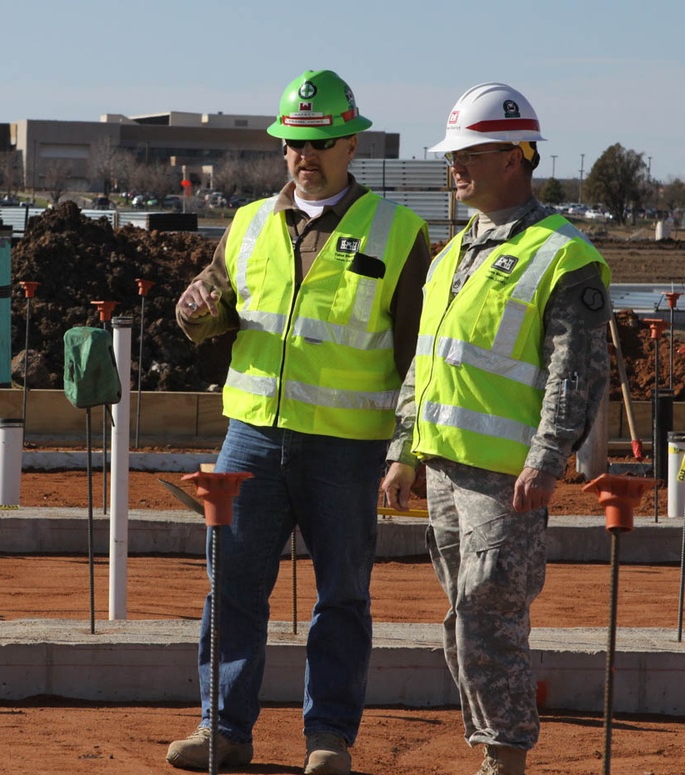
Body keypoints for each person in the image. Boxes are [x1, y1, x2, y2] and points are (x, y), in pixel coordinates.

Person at [168, 69, 430, 774]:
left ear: (352, 143)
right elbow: (214, 301)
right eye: (292, 143)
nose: (302, 157)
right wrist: (192, 309)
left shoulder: (400, 232)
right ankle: (221, 726)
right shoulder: (250, 223)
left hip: (347, 448)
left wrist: (409, 448)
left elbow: (418, 356)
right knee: (231, 585)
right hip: (250, 436)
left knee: (341, 593)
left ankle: (329, 737)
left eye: (318, 144)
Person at [381, 82, 611, 775]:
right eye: (454, 154)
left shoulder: (561, 254)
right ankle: (489, 747)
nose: (455, 168)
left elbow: (576, 372)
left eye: (470, 154)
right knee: (461, 622)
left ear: (516, 156)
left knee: (491, 619)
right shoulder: (452, 256)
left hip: (507, 479)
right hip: (447, 469)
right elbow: (426, 363)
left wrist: (547, 458)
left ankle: (505, 758)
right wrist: (403, 450)